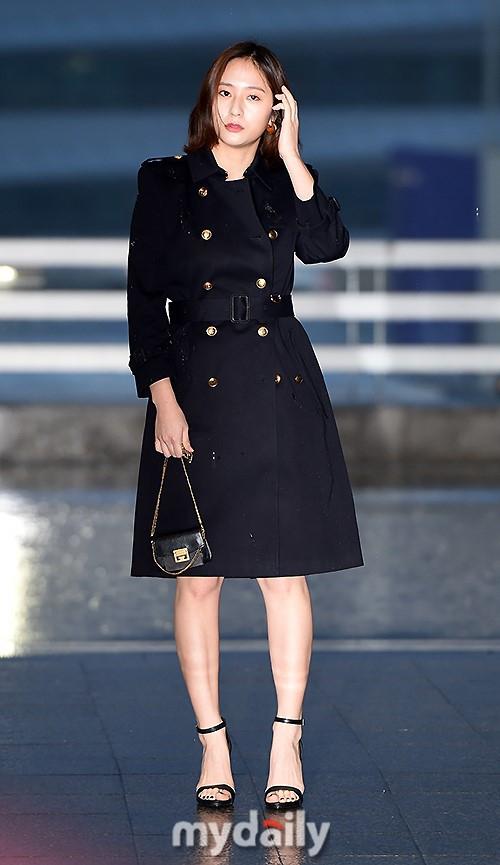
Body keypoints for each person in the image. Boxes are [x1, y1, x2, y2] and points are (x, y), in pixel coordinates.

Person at [126, 40, 364, 810]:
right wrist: (163, 397)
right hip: (195, 386)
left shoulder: (282, 184)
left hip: (277, 382)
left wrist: (293, 157)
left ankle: (286, 738)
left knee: (282, 571)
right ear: (210, 100)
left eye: (254, 96)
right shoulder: (166, 181)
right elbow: (143, 303)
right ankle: (213, 743)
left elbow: (327, 245)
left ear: (276, 110)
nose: (235, 108)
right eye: (225, 92)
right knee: (196, 574)